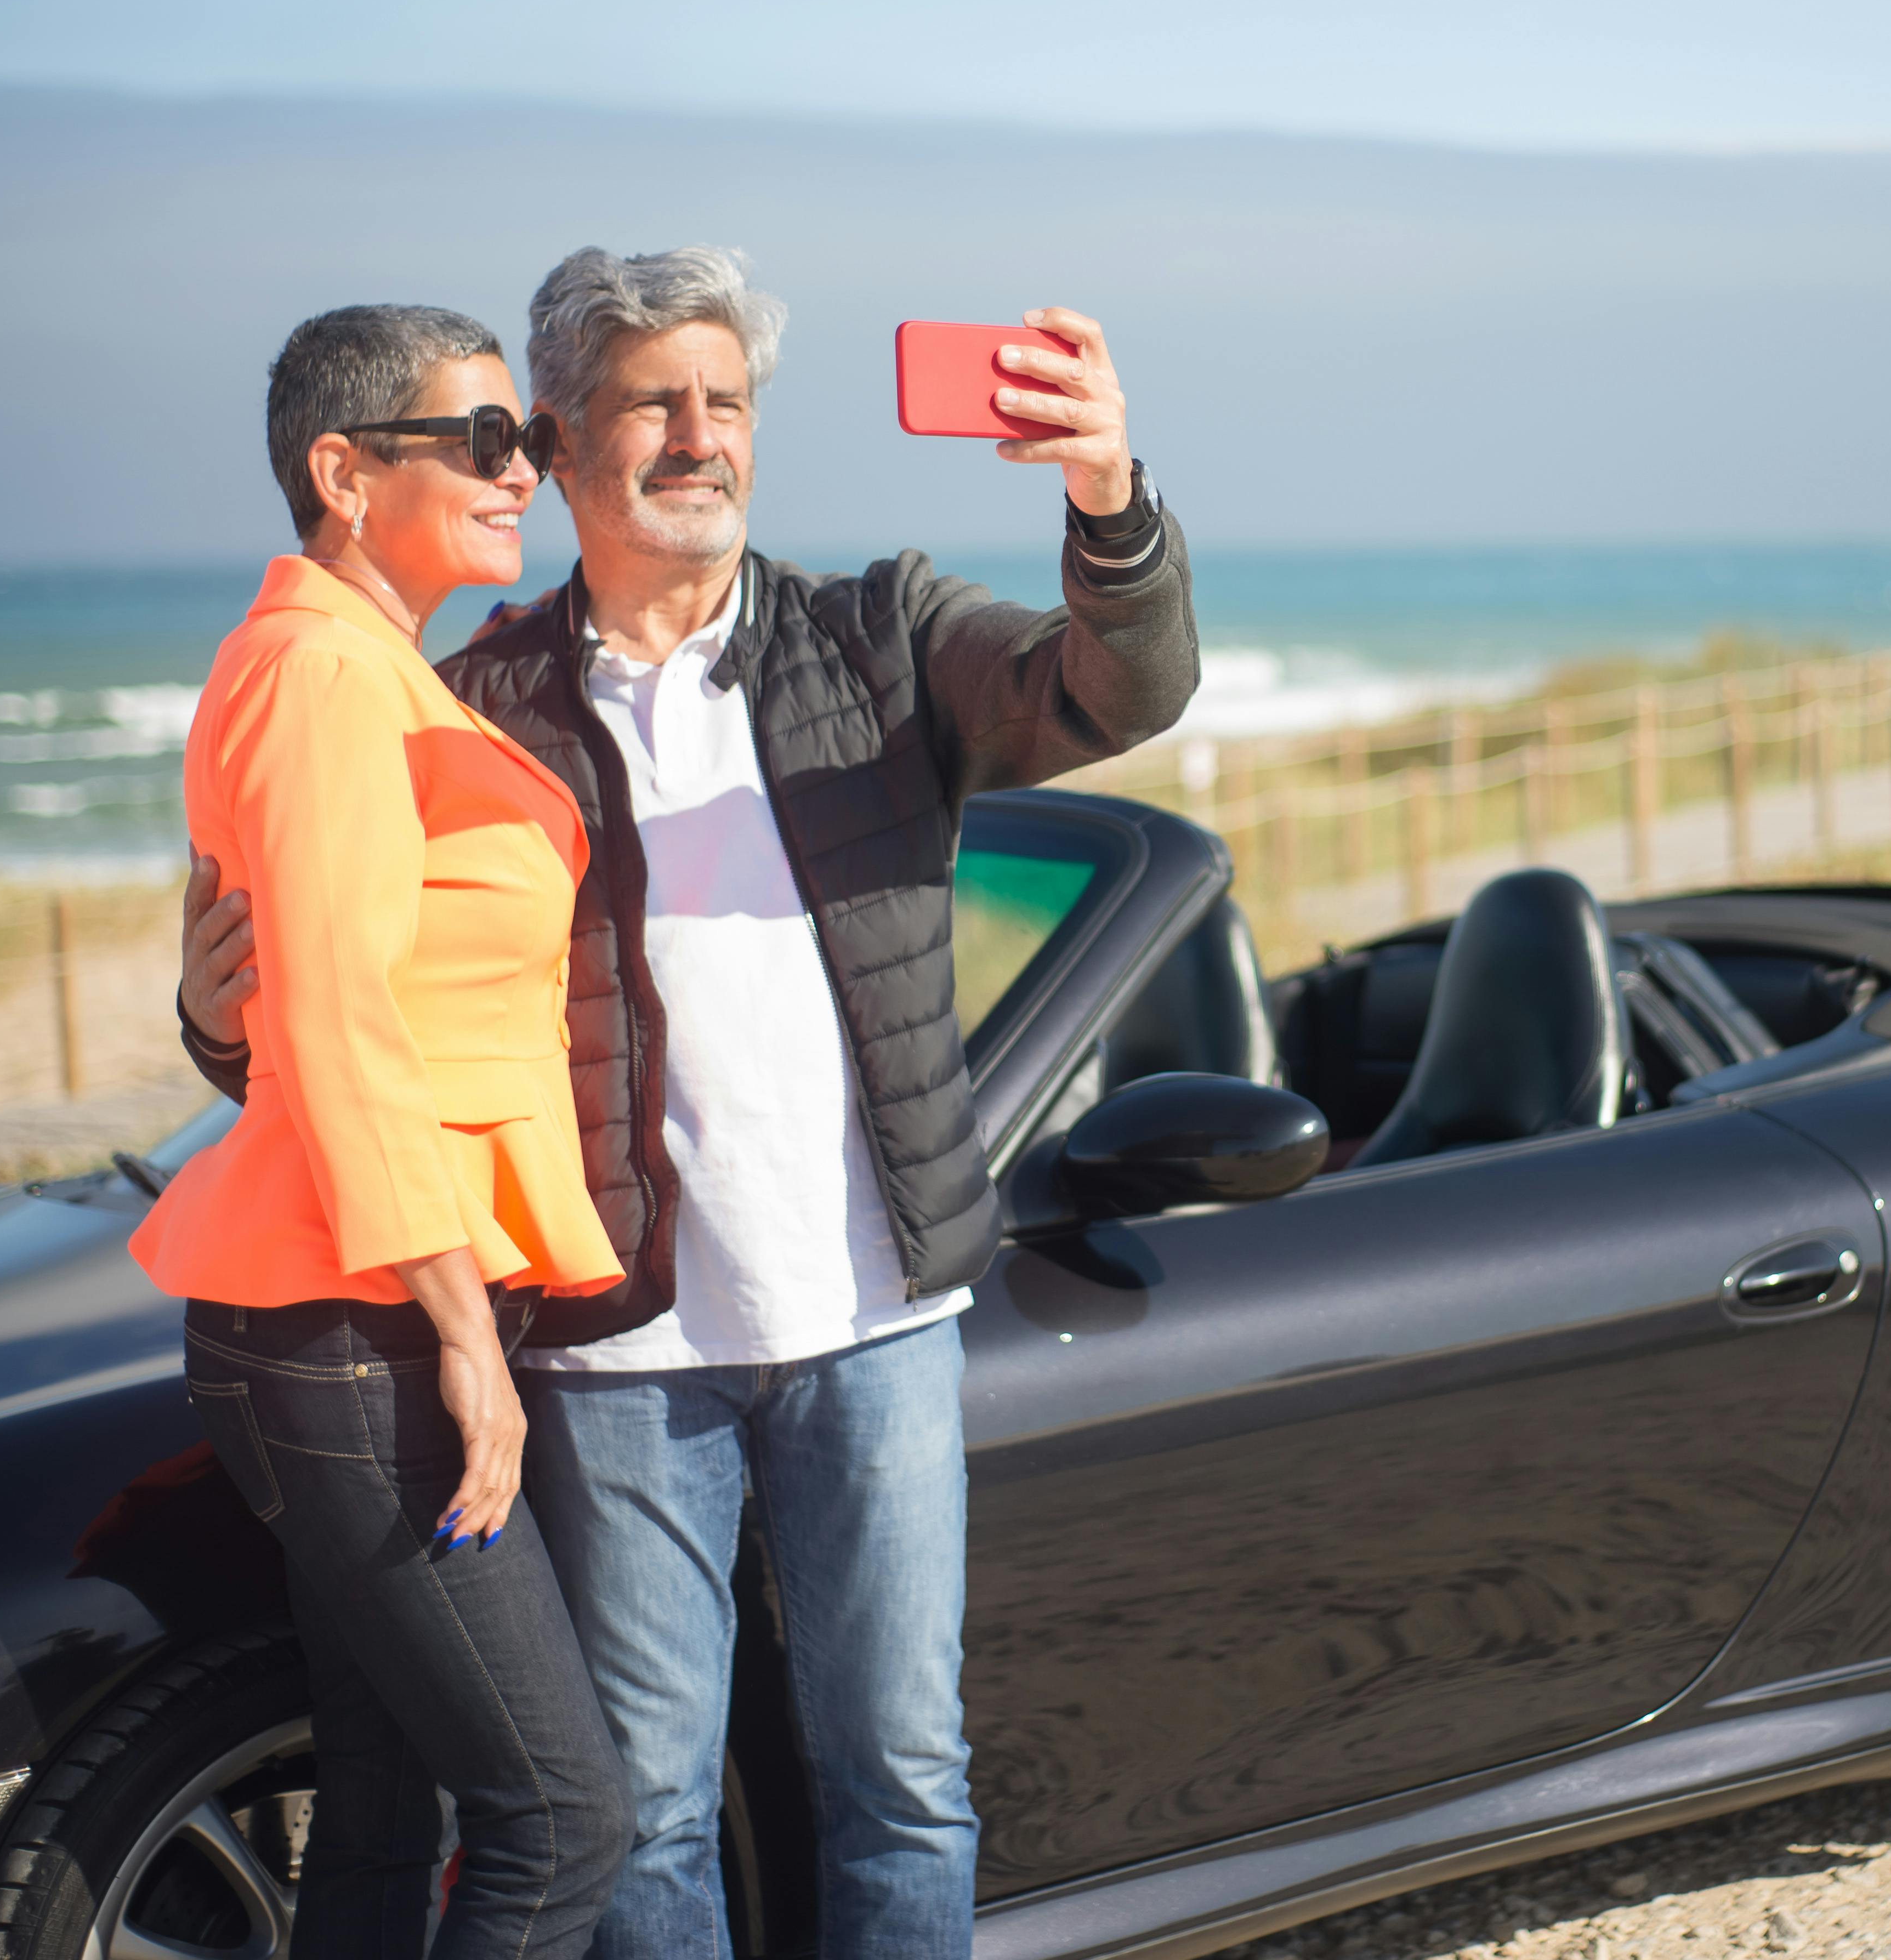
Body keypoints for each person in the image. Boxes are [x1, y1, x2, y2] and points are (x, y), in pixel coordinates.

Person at [176, 246, 1198, 1956]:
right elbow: (350, 997)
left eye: (727, 401)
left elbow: (1118, 691)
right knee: (646, 1805)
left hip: (875, 1319)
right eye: (655, 400)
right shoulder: (472, 701)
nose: (701, 435)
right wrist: (217, 1024)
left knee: (905, 1779)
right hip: (613, 1348)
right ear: (562, 442)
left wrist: (1109, 496)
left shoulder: (887, 634)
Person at [132, 304, 631, 1953]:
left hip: (371, 1306)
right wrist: (458, 1341)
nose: (523, 475)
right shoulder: (320, 681)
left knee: (384, 1799)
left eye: (530, 444)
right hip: (360, 1324)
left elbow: (313, 995)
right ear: (344, 474)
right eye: (486, 442)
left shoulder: (368, 671)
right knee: (561, 1823)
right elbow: (338, 1024)